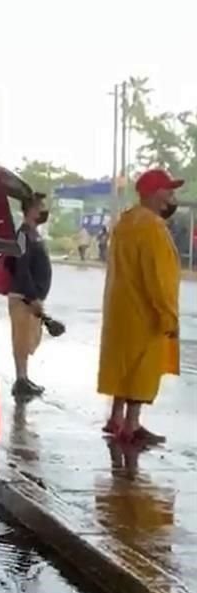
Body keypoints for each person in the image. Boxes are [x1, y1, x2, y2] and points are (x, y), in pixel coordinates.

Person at [99, 169, 183, 445]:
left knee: (122, 364)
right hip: (145, 312)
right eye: (168, 191)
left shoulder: (125, 223)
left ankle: (116, 417)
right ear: (153, 193)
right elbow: (158, 278)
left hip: (120, 309)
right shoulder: (153, 228)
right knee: (140, 368)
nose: (172, 196)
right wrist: (168, 316)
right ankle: (132, 425)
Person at [8, 192, 52, 397]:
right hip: (24, 297)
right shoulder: (23, 235)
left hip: (32, 297)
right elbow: (21, 266)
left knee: (28, 339)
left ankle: (24, 378)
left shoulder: (34, 233)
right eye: (40, 206)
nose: (44, 210)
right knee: (21, 339)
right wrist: (32, 296)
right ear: (32, 209)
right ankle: (20, 380)